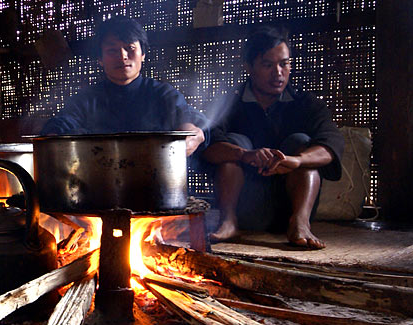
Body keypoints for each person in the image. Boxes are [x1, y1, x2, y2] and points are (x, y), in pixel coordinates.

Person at [203, 26, 344, 249]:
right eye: (268, 65)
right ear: (249, 67)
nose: (278, 73)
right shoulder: (229, 104)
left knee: (301, 143)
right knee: (234, 143)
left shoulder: (306, 104)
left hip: (290, 209)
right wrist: (245, 155)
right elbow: (207, 146)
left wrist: (295, 160)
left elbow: (331, 144)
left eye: (284, 64)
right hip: (247, 210)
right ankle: (228, 221)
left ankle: (300, 223)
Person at [40, 16, 207, 157]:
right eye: (112, 51)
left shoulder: (163, 94)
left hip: (157, 185)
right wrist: (52, 135)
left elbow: (189, 123)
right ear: (100, 59)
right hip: (99, 184)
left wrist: (193, 134)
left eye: (130, 48)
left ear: (143, 54)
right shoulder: (86, 99)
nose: (122, 56)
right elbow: (63, 122)